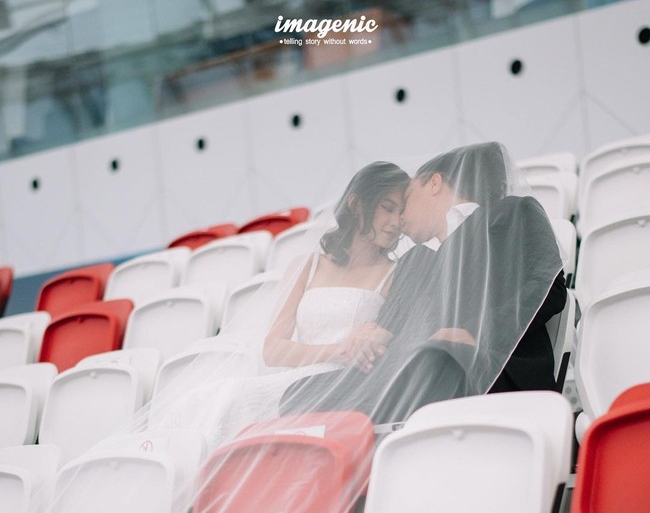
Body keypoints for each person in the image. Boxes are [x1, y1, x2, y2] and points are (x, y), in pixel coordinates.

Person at [280, 142, 566, 421]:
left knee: (434, 359)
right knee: (299, 395)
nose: (400, 217)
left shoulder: (512, 213)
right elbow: (390, 331)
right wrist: (371, 337)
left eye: (406, 199)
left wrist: (480, 331)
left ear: (434, 183)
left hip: (491, 365)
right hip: (412, 371)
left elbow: (550, 288)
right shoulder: (414, 260)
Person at [157, 161, 410, 448]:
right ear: (357, 205)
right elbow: (273, 349)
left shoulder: (393, 272)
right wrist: (337, 350)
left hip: (342, 387)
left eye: (401, 212)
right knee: (199, 401)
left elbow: (390, 338)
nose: (395, 222)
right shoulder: (308, 266)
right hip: (297, 379)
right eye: (387, 208)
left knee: (230, 401)